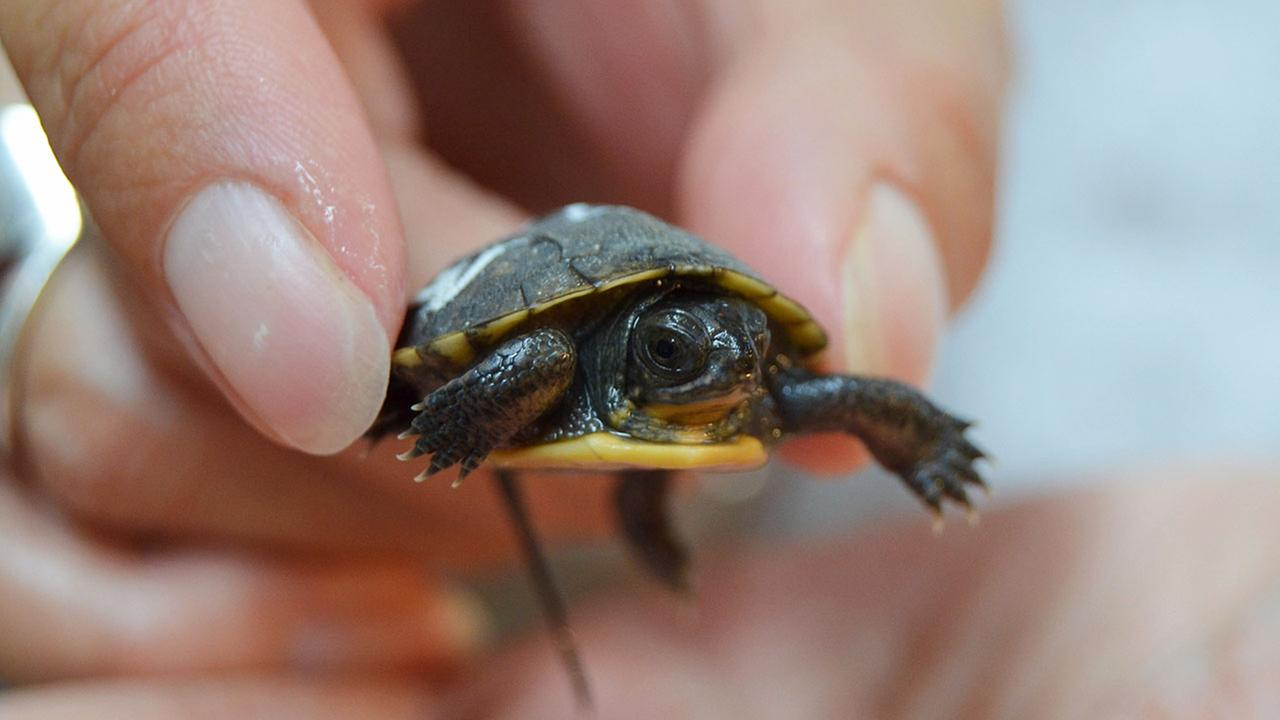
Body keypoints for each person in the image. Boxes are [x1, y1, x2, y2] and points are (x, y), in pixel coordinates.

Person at [0, 2, 1274, 717]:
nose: (723, 360)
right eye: (680, 347)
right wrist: (456, 416)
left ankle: (642, 504)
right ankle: (626, 496)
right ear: (643, 348)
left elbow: (829, 393)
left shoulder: (731, 373)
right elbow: (526, 359)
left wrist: (919, 437)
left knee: (771, 415)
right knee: (508, 380)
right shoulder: (572, 352)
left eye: (729, 345)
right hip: (513, 335)